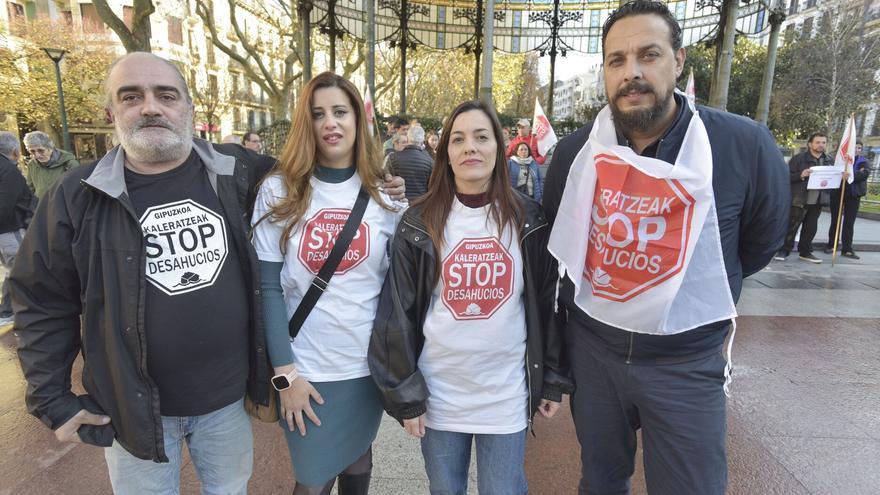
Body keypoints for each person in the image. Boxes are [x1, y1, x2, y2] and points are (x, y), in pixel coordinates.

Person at [542, 2, 788, 494]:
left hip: (687, 362)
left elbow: (758, 243)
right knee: (600, 482)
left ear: (678, 61)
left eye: (647, 55)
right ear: (605, 73)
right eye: (616, 60)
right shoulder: (573, 154)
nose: (631, 73)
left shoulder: (743, 146)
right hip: (595, 353)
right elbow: (561, 240)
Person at [369, 100, 573, 495]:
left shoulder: (528, 218)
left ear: (500, 147)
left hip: (506, 395)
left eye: (481, 137)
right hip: (441, 394)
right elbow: (397, 311)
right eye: (458, 139)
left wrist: (552, 379)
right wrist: (406, 396)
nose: (470, 148)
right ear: (445, 152)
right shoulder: (420, 222)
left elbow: (547, 304)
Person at [251, 72, 405, 495]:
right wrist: (286, 376)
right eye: (318, 114)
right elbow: (267, 288)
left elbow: (400, 288)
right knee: (313, 477)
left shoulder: (385, 196)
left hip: (365, 368)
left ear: (358, 119)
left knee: (358, 457)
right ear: (307, 124)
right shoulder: (279, 191)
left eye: (340, 111)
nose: (330, 123)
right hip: (306, 369)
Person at [775, 132, 832, 263]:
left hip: (818, 200)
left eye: (823, 142)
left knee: (811, 228)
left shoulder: (828, 160)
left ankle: (805, 252)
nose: (821, 145)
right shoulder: (799, 159)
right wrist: (801, 174)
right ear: (810, 144)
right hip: (800, 199)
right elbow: (785, 176)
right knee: (792, 226)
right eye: (818, 142)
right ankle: (784, 250)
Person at [0, 131, 34, 325]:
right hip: (11, 230)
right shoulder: (9, 171)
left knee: (12, 270)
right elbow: (5, 204)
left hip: (5, 231)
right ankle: (10, 311)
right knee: (21, 269)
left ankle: (7, 310)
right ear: (14, 152)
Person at [825, 141, 872, 259]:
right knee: (835, 220)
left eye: (859, 148)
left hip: (853, 194)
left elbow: (864, 175)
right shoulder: (839, 160)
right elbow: (833, 172)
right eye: (855, 147)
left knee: (849, 222)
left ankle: (847, 249)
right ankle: (831, 245)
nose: (857, 150)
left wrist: (849, 173)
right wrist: (848, 173)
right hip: (837, 193)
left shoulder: (864, 161)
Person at [23, 131, 79, 199]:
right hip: (41, 206)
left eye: (41, 150)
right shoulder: (32, 165)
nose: (37, 155)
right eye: (32, 151)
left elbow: (77, 190)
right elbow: (30, 189)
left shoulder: (69, 163)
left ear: (50, 148)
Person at [386, 125, 434, 201]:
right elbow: (432, 188)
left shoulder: (393, 158)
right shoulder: (430, 161)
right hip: (421, 206)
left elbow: (387, 181)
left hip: (398, 204)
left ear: (408, 138)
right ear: (423, 140)